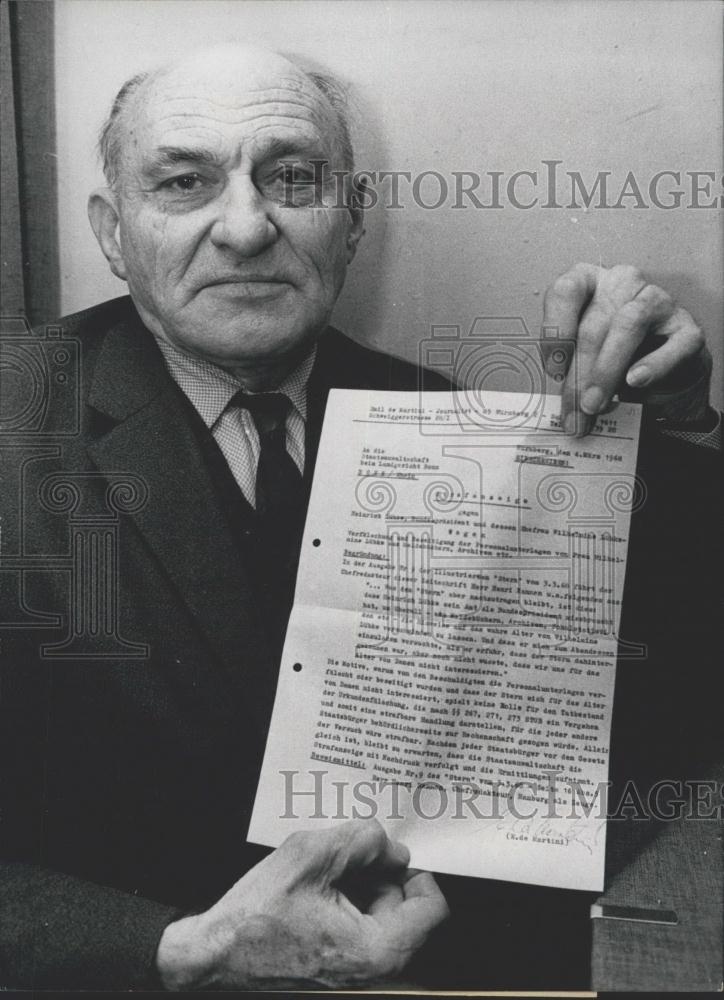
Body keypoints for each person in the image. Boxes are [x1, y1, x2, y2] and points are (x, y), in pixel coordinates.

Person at [0, 44, 720, 991]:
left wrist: (674, 422)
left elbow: (674, 681)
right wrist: (182, 953)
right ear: (111, 231)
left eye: (292, 178)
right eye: (184, 182)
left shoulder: (449, 422)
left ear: (351, 224)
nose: (248, 227)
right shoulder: (16, 420)